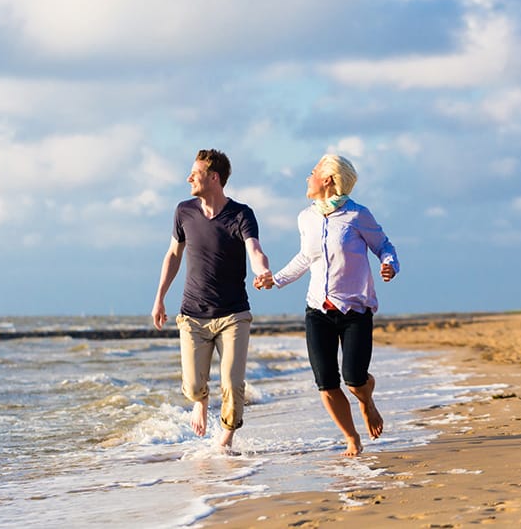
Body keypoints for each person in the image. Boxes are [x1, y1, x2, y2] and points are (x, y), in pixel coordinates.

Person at [254, 154, 399, 457]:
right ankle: (351, 437)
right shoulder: (305, 218)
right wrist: (275, 279)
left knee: (356, 380)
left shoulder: (358, 216)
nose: (307, 178)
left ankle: (366, 401)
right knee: (326, 382)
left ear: (328, 180)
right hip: (317, 310)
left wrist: (389, 264)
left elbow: (384, 246)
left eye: (312, 173)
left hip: (355, 311)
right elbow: (306, 257)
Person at [152, 149, 272, 450]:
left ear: (214, 177)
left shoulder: (241, 214)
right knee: (193, 386)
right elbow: (173, 255)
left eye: (196, 172)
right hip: (192, 314)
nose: (189, 177)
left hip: (233, 315)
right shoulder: (184, 211)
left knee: (232, 385)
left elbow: (254, 249)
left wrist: (263, 271)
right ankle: (201, 402)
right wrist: (160, 299)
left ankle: (226, 439)